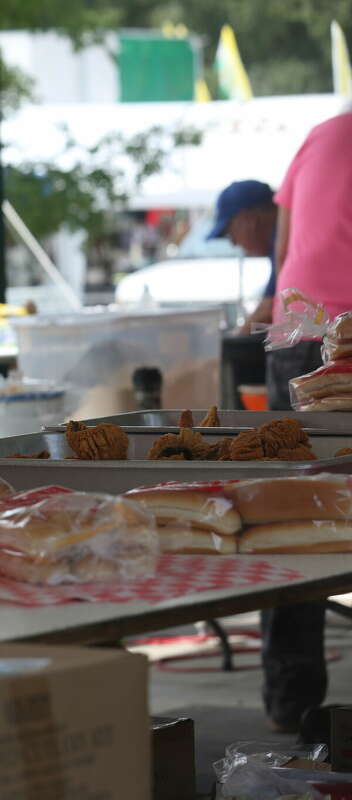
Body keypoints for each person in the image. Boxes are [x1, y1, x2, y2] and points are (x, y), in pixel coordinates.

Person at [259, 111, 352, 736]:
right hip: (343, 331)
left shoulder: (323, 130)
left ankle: (291, 701)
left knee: (292, 508)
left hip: (295, 330)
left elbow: (283, 241)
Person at [205, 180, 278, 334]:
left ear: (247, 221)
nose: (234, 243)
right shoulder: (280, 240)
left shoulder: (281, 241)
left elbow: (267, 309)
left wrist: (232, 342)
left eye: (230, 234)